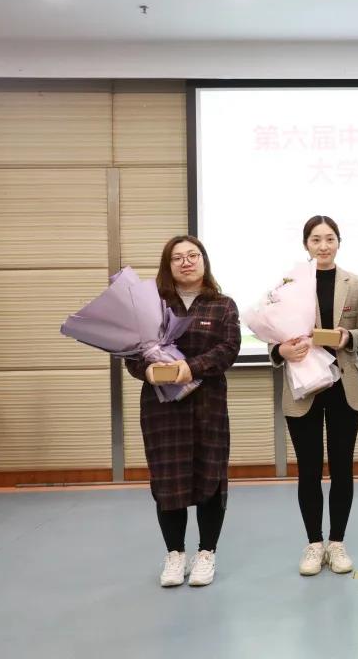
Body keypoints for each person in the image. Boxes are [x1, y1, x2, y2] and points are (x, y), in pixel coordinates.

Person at [125, 235, 240, 588]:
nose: (186, 262)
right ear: (168, 265)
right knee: (167, 480)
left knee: (211, 477)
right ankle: (175, 554)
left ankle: (206, 553)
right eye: (177, 258)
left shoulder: (222, 304)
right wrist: (147, 371)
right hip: (163, 408)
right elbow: (131, 354)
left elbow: (229, 348)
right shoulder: (152, 306)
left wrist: (191, 368)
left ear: (204, 260)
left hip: (208, 405)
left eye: (193, 255)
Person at [270, 215, 358, 576]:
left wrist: (349, 337)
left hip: (344, 385)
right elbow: (273, 336)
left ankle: (338, 543)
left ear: (339, 242)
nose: (323, 246)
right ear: (306, 245)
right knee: (309, 468)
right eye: (316, 239)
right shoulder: (288, 285)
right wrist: (281, 350)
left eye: (330, 239)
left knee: (342, 466)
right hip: (304, 386)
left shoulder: (355, 283)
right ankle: (314, 544)